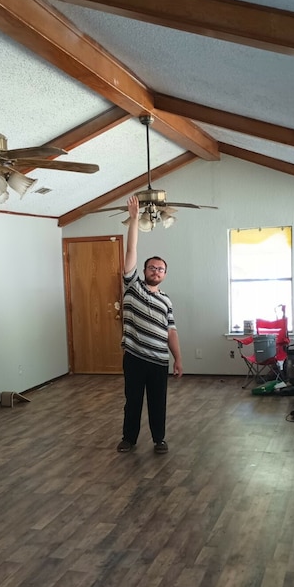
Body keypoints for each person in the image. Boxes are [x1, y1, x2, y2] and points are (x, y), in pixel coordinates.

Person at [117, 194, 183, 454]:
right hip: (134, 357)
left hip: (159, 360)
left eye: (160, 269)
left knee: (158, 403)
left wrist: (178, 359)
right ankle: (128, 439)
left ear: (165, 275)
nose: (156, 271)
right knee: (132, 401)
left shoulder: (166, 301)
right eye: (152, 268)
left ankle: (159, 440)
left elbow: (171, 332)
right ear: (144, 271)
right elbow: (131, 251)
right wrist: (134, 219)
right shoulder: (133, 288)